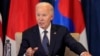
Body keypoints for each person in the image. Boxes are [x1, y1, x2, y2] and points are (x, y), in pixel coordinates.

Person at [18, 2, 91, 56]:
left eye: (44, 15)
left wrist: (83, 52)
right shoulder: (28, 34)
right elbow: (21, 54)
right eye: (38, 15)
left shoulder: (61, 31)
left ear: (51, 17)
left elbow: (73, 44)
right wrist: (26, 54)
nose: (40, 19)